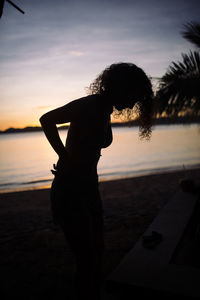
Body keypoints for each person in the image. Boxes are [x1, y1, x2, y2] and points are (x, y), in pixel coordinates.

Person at [40, 62, 154, 300]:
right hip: (71, 190)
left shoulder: (104, 109)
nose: (134, 103)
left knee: (97, 252)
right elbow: (46, 119)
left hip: (89, 189)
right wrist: (63, 155)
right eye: (133, 95)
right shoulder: (90, 104)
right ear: (120, 87)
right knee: (86, 258)